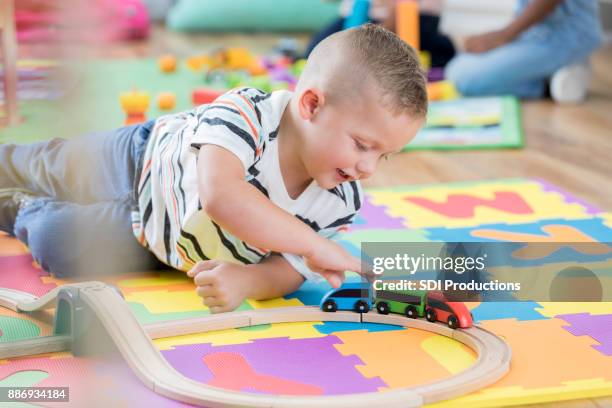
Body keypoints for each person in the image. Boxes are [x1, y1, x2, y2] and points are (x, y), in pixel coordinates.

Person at [0, 24, 427, 313]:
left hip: (161, 242)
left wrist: (247, 282)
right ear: (312, 104)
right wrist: (313, 246)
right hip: (136, 160)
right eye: (362, 146)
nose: (368, 167)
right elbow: (222, 196)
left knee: (55, 242)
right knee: (51, 166)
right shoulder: (247, 112)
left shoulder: (339, 201)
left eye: (383, 155)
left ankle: (13, 208)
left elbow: (291, 269)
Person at [445, 0, 603, 102]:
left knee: (464, 80)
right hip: (534, 34)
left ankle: (548, 83)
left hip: (566, 35)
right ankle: (555, 72)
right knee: (458, 66)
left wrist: (504, 35)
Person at [305, 0, 456, 68]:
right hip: (363, 14)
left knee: (440, 50)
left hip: (415, 15)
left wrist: (398, 13)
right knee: (315, 49)